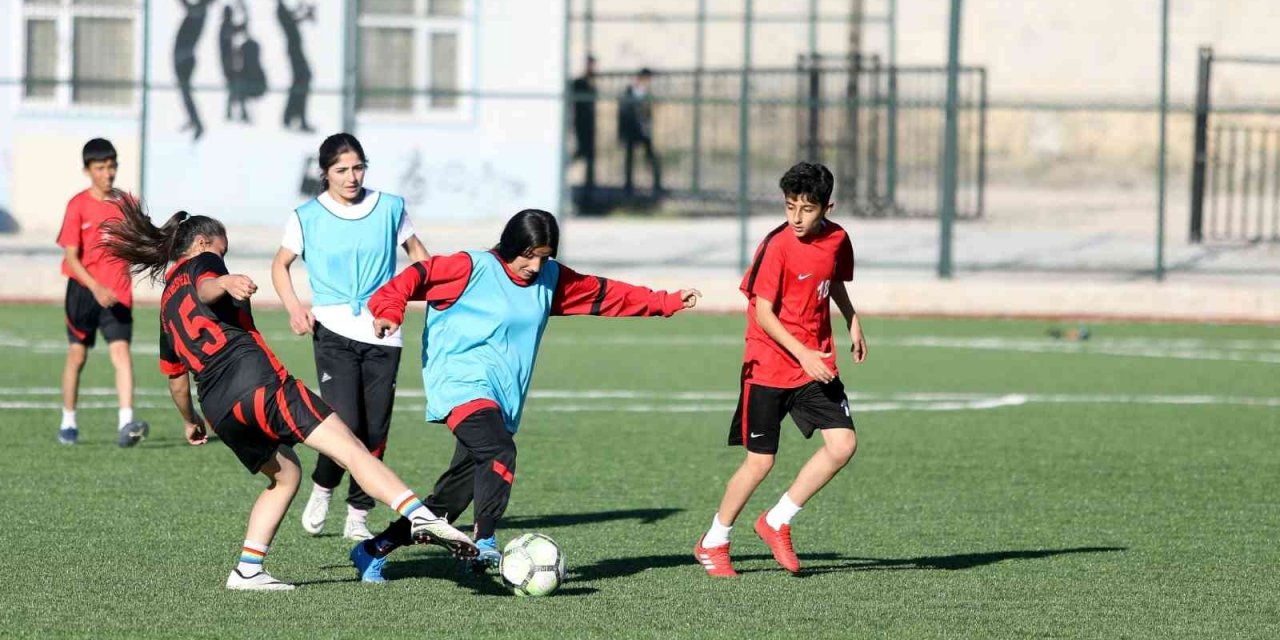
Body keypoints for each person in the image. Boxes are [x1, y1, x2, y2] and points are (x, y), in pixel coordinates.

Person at [99, 201, 476, 591]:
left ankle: (248, 569)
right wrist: (225, 283)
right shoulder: (202, 264)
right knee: (351, 450)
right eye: (220, 250)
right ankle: (420, 515)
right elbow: (206, 286)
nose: (221, 259)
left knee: (286, 475)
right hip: (257, 382)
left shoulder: (165, 306)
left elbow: (176, 378)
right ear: (200, 244)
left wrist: (190, 421)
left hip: (219, 409)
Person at [348, 209, 701, 583]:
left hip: (502, 397)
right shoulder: (470, 267)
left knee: (448, 503)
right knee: (500, 451)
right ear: (510, 245)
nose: (535, 265)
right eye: (528, 254)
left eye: (544, 256)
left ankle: (374, 549)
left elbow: (606, 294)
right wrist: (389, 311)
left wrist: (667, 302)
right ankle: (484, 541)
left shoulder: (550, 279)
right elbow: (413, 277)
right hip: (460, 383)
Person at [694, 162, 867, 577]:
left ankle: (776, 520)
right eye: (790, 207)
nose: (796, 218)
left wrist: (852, 318)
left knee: (843, 445)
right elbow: (764, 313)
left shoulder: (839, 238)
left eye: (807, 209)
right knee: (760, 463)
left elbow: (833, 281)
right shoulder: (776, 246)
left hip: (814, 364)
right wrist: (803, 353)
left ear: (828, 206)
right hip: (769, 365)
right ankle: (713, 541)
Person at [272, 133, 430, 542]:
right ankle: (323, 487)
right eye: (341, 170)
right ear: (324, 173)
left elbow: (420, 258)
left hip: (384, 329)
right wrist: (294, 306)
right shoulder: (306, 215)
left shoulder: (391, 207)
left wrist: (425, 293)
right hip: (332, 330)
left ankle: (358, 515)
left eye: (358, 167)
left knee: (375, 430)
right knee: (344, 424)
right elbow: (280, 265)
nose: (351, 177)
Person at [55, 139, 148, 448]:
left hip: (118, 293)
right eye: (100, 168)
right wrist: (95, 287)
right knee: (77, 356)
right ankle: (68, 421)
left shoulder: (127, 203)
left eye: (112, 166)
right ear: (87, 170)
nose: (108, 174)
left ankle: (126, 424)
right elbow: (71, 256)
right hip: (84, 292)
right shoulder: (77, 205)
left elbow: (139, 243)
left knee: (121, 354)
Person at [174, 0, 215, 141]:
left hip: (184, 58)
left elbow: (188, 7)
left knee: (185, 91)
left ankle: (197, 123)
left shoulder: (200, 11)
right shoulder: (200, 10)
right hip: (183, 57)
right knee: (185, 92)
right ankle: (194, 120)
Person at [618, 67, 662, 195]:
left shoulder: (646, 92)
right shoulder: (630, 91)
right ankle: (628, 185)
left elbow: (651, 107)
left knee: (650, 156)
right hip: (632, 128)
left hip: (643, 129)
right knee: (630, 158)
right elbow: (624, 111)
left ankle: (657, 183)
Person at [277, 0, 315, 132]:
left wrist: (303, 12)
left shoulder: (283, 9)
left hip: (295, 49)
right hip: (294, 50)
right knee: (303, 79)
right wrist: (304, 12)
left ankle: (292, 117)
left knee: (300, 81)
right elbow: (291, 22)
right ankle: (295, 118)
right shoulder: (281, 9)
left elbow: (293, 19)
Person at [571, 55, 599, 203]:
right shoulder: (579, 82)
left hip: (590, 125)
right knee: (582, 153)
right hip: (582, 124)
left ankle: (589, 191)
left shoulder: (592, 82)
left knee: (589, 156)